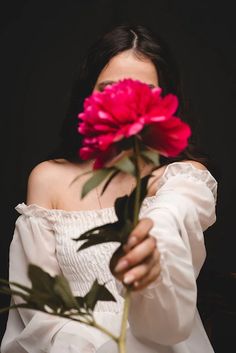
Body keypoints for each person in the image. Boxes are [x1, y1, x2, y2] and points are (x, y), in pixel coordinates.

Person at [1, 24, 218, 353]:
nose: (125, 105)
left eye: (141, 92)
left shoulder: (181, 178)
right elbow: (38, 309)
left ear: (163, 103)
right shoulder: (48, 178)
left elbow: (174, 211)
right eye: (110, 89)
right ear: (88, 96)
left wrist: (152, 246)